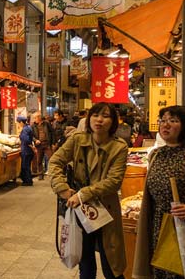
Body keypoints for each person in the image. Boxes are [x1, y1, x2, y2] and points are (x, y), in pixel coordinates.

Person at [48, 102, 128, 279]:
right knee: (85, 263)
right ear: (89, 118)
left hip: (106, 209)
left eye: (106, 116)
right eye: (95, 115)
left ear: (113, 122)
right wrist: (62, 187)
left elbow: (114, 181)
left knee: (111, 264)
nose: (99, 120)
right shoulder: (78, 139)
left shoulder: (119, 147)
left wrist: (83, 194)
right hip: (80, 210)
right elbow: (55, 162)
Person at [133, 106, 185, 279]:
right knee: (160, 271)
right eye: (163, 120)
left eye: (173, 121)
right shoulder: (156, 154)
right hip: (158, 226)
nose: (165, 125)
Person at [32, 113, 53, 180]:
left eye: (35, 118)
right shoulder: (33, 126)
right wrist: (35, 140)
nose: (34, 119)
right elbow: (31, 135)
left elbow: (52, 132)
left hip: (47, 144)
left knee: (51, 159)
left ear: (39, 117)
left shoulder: (46, 123)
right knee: (39, 160)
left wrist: (53, 143)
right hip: (39, 145)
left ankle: (52, 174)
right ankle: (40, 175)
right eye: (34, 118)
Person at [17, 116, 35, 186]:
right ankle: (28, 180)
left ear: (21, 122)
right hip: (29, 150)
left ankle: (27, 181)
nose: (18, 124)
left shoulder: (24, 129)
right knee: (27, 165)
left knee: (25, 166)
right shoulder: (28, 127)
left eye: (18, 123)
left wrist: (31, 146)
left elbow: (26, 140)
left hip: (26, 150)